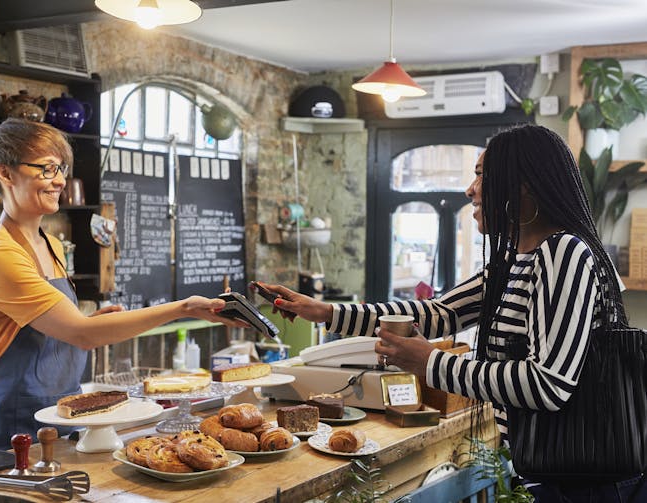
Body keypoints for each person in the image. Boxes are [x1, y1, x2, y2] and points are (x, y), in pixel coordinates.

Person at [260, 124, 645, 502]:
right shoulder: (514, 262)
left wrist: (432, 364)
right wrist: (325, 312)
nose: (469, 190)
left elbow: (548, 384)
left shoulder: (564, 254)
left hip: (592, 485)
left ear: (524, 185)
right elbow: (438, 313)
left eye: (480, 176)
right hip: (555, 477)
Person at [0, 119, 244, 456]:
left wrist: (92, 323)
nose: (60, 180)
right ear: (5, 174)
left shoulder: (52, 246)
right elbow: (81, 334)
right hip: (8, 433)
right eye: (47, 169)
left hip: (64, 417)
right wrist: (183, 308)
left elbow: (63, 330)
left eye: (61, 169)